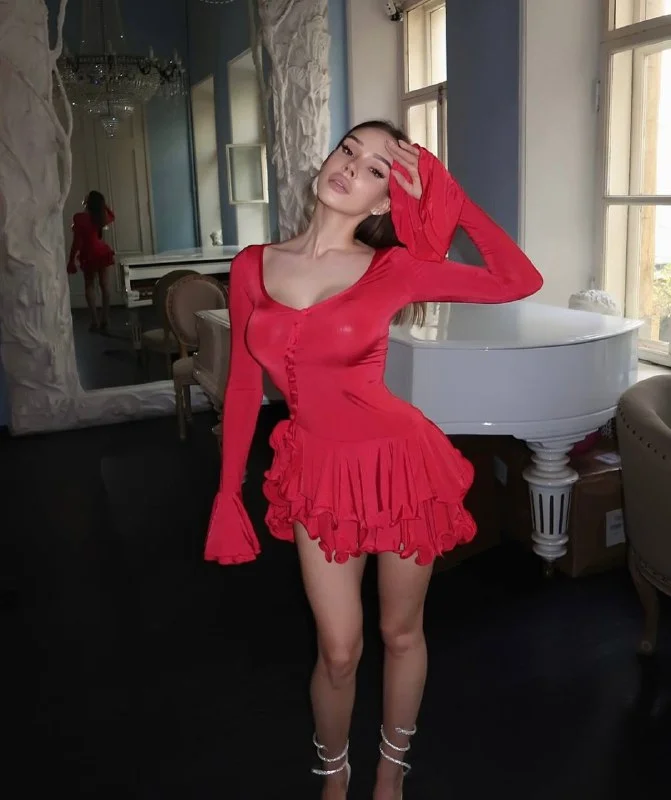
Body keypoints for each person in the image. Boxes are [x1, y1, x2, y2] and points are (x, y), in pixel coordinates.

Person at [205, 120, 543, 799]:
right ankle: (334, 773)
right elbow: (242, 384)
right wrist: (228, 490)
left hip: (399, 466)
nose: (350, 167)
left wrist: (453, 199)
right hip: (317, 469)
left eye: (374, 170)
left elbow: (518, 279)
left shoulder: (393, 268)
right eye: (348, 150)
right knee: (337, 649)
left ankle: (391, 770)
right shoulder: (251, 265)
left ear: (387, 200)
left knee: (399, 631)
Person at [67, 190, 116, 332]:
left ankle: (94, 321)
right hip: (102, 252)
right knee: (105, 286)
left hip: (88, 254)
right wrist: (103, 205)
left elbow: (76, 243)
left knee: (89, 286)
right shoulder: (100, 217)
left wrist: (71, 259)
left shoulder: (79, 218)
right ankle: (105, 319)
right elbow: (112, 216)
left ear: (88, 202)